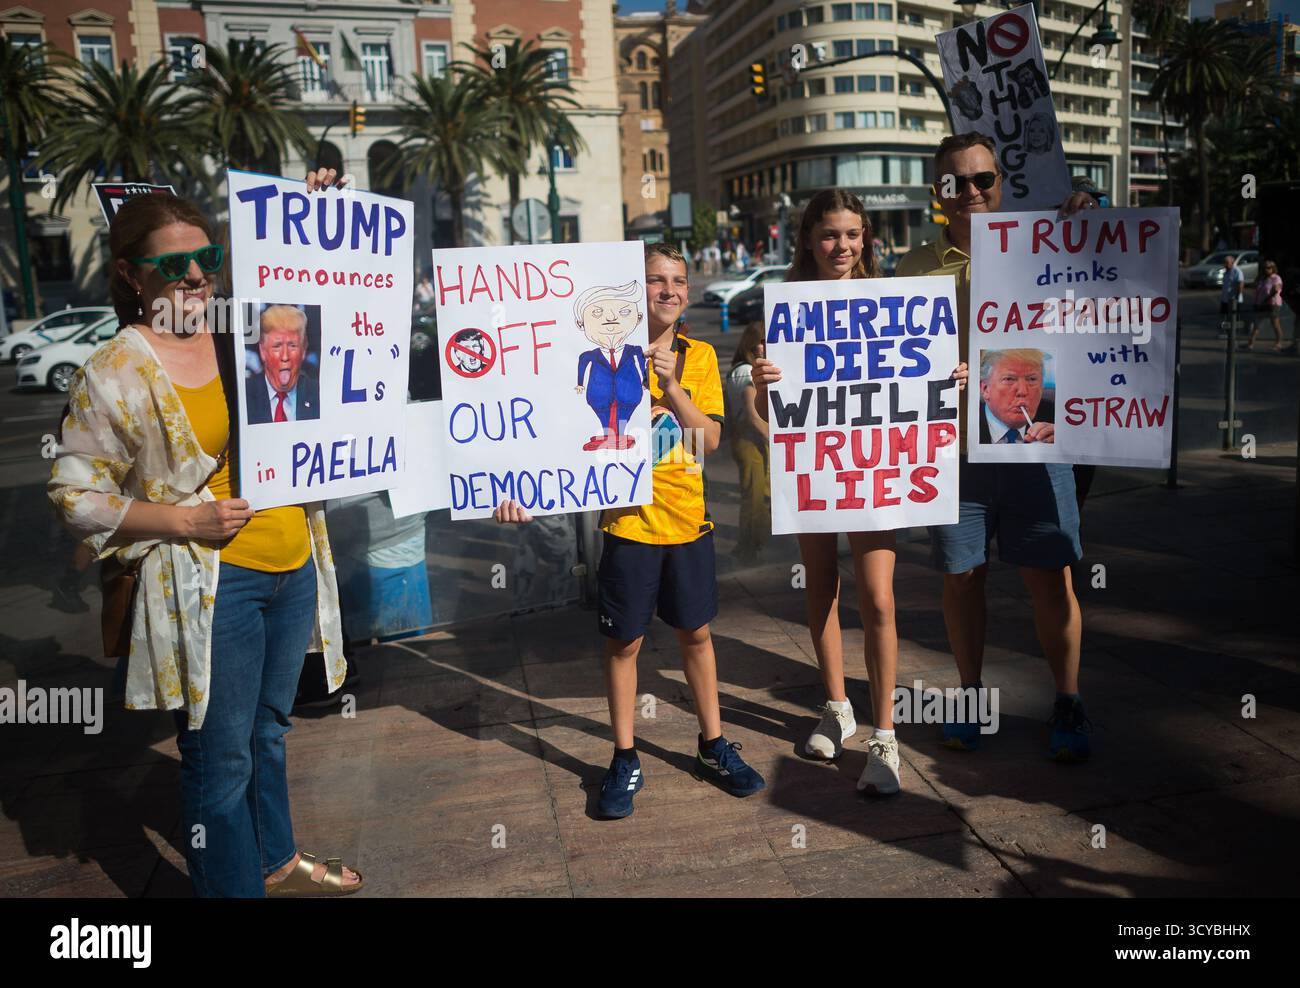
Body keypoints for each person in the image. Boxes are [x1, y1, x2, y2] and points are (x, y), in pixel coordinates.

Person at [49, 189, 361, 896]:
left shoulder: (240, 332)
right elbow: (75, 496)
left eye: (208, 259)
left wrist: (317, 209)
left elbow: (315, 292)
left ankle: (276, 859)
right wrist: (184, 521)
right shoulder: (115, 368)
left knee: (269, 733)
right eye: (177, 264)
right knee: (219, 759)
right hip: (214, 585)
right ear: (131, 275)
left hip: (294, 562)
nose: (197, 277)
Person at [495, 242, 765, 818]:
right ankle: (624, 755)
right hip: (627, 527)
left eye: (678, 280)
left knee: (696, 635)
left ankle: (713, 745)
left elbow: (708, 441)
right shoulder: (594, 352)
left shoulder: (698, 358)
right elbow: (554, 437)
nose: (668, 289)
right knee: (626, 644)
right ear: (633, 290)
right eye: (655, 280)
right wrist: (517, 490)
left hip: (688, 523)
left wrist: (671, 389)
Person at [751, 188, 968, 795]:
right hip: (817, 468)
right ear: (808, 240)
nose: (841, 246)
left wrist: (949, 374)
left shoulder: (896, 300)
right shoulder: (783, 310)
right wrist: (761, 380)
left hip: (877, 471)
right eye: (828, 234)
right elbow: (762, 404)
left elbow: (924, 378)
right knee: (821, 588)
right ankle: (837, 706)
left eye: (851, 234)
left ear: (865, 237)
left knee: (877, 600)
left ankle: (885, 737)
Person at [896, 132, 1098, 762]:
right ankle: (971, 694)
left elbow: (1108, 286)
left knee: (1051, 576)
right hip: (954, 454)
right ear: (938, 193)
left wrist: (1090, 221)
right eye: (957, 182)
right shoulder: (911, 269)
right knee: (962, 579)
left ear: (1001, 184)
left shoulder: (1048, 244)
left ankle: (1066, 699)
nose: (972, 192)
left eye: (983, 179)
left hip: (1036, 448)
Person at [725, 321, 770, 564]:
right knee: (754, 496)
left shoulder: (740, 370)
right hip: (751, 440)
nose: (764, 346)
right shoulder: (745, 372)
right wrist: (771, 439)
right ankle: (747, 548)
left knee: (758, 493)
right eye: (760, 342)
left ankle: (757, 544)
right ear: (749, 345)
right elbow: (753, 414)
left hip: (746, 439)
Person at [245, 305, 320, 424]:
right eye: (277, 346)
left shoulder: (319, 394)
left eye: (292, 346)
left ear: (304, 350)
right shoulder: (244, 396)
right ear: (263, 351)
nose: (285, 356)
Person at [977, 348, 1055, 444]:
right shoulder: (965, 424)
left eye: (1032, 379)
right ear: (985, 389)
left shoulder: (1057, 420)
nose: (1022, 391)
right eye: (1009, 379)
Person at [1245, 260, 1284, 352]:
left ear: (1273, 269)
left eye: (1268, 268)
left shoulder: (1276, 278)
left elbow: (1276, 289)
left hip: (1272, 304)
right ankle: (1250, 343)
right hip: (1261, 304)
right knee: (1256, 323)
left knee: (1275, 324)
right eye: (1265, 268)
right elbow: (1257, 291)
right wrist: (1256, 302)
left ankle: (1278, 343)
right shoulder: (1263, 279)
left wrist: (1267, 298)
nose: (1266, 270)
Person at [1220, 254, 1245, 330]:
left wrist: (1237, 296)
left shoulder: (1237, 271)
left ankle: (1234, 333)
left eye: (1227, 262)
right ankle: (1227, 331)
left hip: (1233, 299)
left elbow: (1240, 283)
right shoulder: (1226, 272)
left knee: (1234, 317)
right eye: (1224, 262)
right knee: (1225, 316)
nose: (1225, 264)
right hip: (1225, 299)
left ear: (1232, 262)